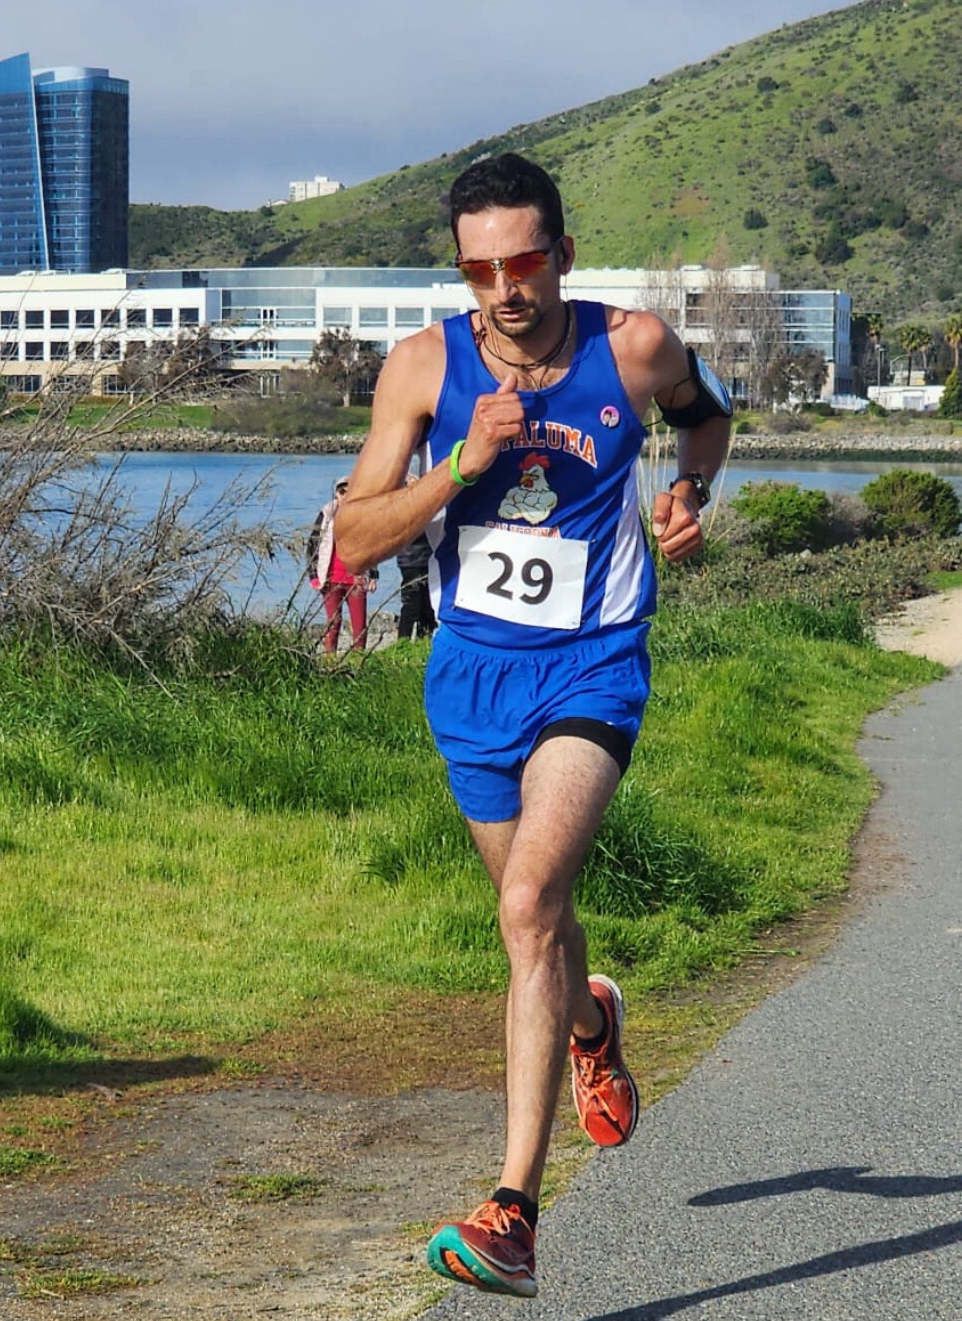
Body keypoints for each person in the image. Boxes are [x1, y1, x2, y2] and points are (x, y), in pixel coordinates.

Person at [333, 152, 731, 1298]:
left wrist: (689, 494)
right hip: (471, 680)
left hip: (592, 668)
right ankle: (590, 1022)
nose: (506, 288)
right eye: (481, 270)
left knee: (526, 906)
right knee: (541, 928)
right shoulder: (423, 368)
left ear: (562, 252)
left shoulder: (633, 347)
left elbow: (706, 419)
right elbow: (354, 540)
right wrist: (463, 462)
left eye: (524, 262)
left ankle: (512, 1212)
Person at [306, 476, 378, 652]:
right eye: (341, 491)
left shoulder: (363, 515)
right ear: (336, 494)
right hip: (330, 579)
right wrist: (313, 576)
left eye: (349, 491)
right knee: (334, 623)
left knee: (359, 626)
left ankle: (358, 660)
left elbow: (372, 547)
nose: (345, 495)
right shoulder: (327, 514)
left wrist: (373, 576)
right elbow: (312, 546)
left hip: (356, 579)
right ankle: (330, 661)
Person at [394, 476, 437, 641]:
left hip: (428, 558)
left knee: (428, 603)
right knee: (411, 603)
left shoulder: (429, 505)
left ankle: (424, 638)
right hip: (410, 560)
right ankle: (403, 641)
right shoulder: (403, 508)